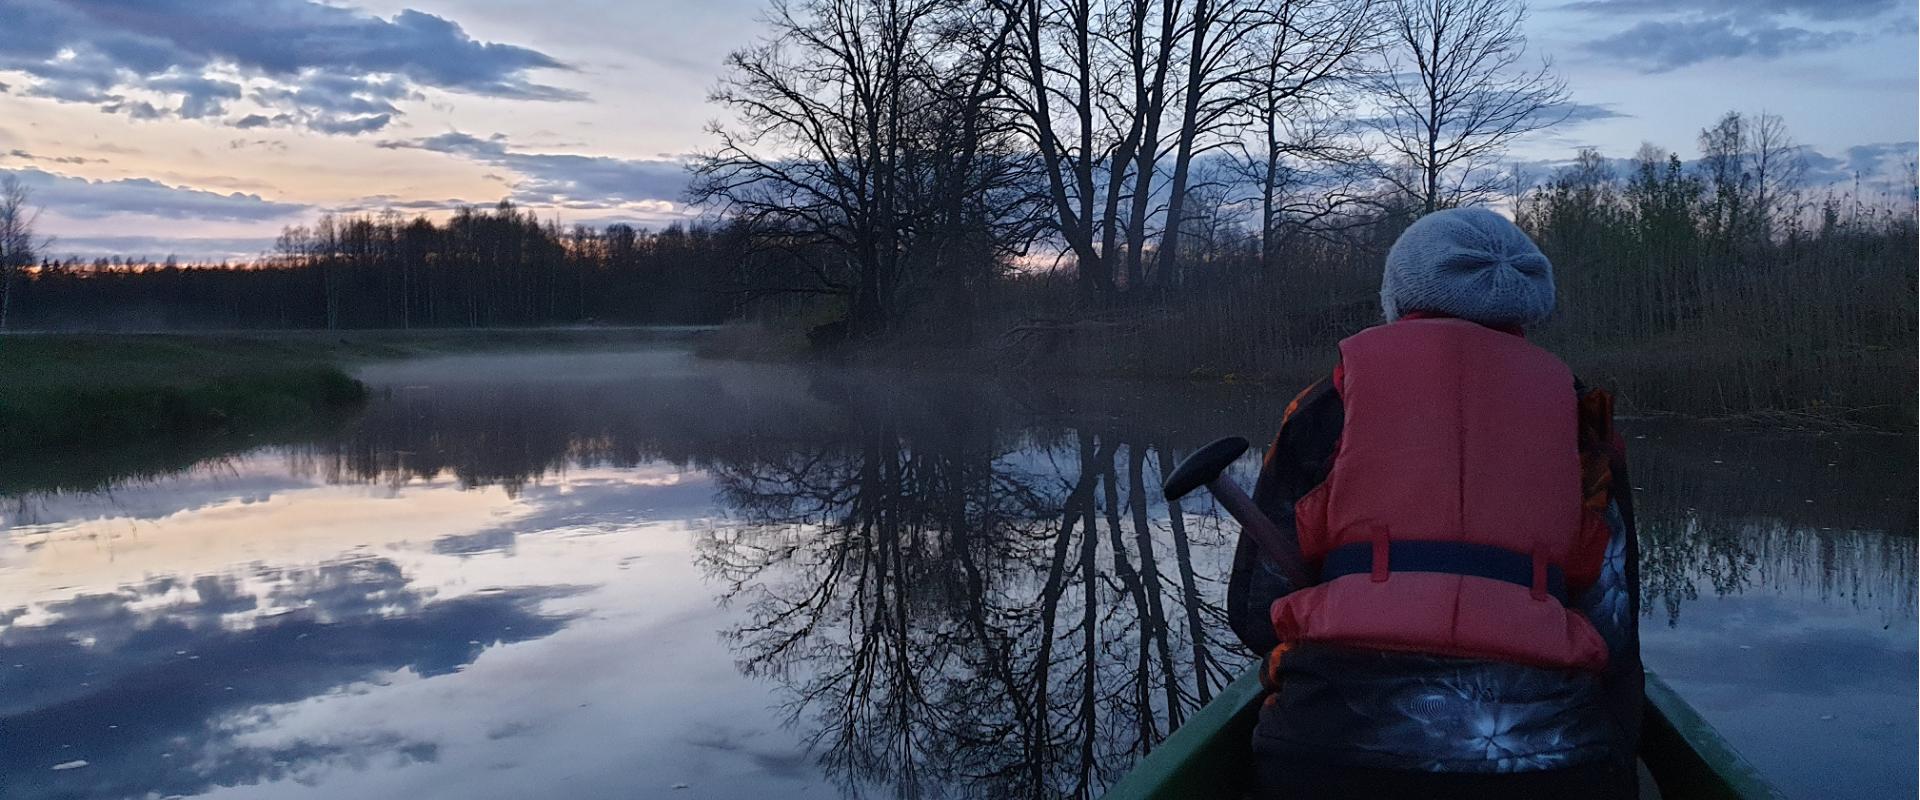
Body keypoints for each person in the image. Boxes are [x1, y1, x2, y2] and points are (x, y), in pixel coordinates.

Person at [1227, 207, 1643, 799]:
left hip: (1330, 753)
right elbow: (1615, 629)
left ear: (1398, 297)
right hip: (1548, 764)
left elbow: (1255, 610)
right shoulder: (1582, 421)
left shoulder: (1328, 404)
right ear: (1524, 307)